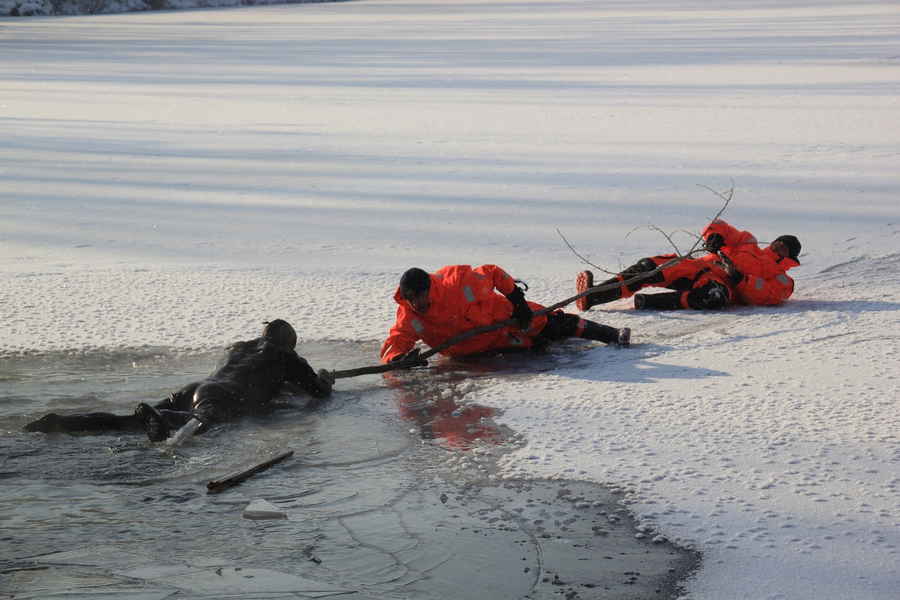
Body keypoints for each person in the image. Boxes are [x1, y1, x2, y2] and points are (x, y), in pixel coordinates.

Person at [24, 319, 334, 443]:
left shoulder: (240, 348)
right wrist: (323, 378)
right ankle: (162, 419)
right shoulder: (286, 357)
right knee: (198, 425)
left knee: (127, 423)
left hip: (195, 388)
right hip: (224, 399)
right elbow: (318, 393)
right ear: (289, 343)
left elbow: (257, 375)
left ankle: (61, 422)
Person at [380, 264, 630, 366]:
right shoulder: (409, 315)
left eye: (419, 296)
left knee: (552, 324)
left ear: (429, 290)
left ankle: (610, 334)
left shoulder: (457, 282)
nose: (416, 303)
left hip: (505, 319)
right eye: (411, 299)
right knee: (534, 347)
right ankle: (538, 344)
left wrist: (516, 300)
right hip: (478, 349)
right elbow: (396, 340)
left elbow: (493, 272)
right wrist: (397, 359)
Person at [575, 219, 801, 311]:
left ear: (790, 258)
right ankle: (592, 296)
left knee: (714, 297)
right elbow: (721, 226)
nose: (778, 246)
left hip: (721, 284)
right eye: (778, 241)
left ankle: (650, 303)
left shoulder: (784, 280)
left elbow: (767, 296)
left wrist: (740, 279)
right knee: (649, 266)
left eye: (784, 247)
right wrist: (714, 237)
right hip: (696, 266)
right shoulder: (748, 242)